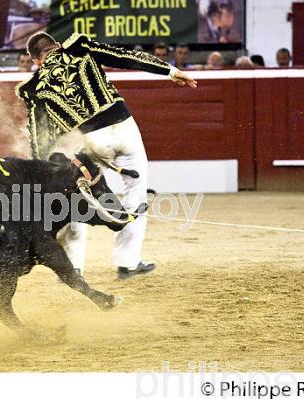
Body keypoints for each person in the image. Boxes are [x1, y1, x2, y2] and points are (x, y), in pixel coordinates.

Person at [16, 32, 197, 279]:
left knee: (77, 195)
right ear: (56, 46)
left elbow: (39, 139)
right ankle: (128, 263)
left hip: (92, 140)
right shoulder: (79, 48)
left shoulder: (36, 87)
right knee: (135, 189)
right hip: (124, 128)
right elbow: (124, 56)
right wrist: (170, 71)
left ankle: (74, 268)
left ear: (36, 60)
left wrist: (44, 176)